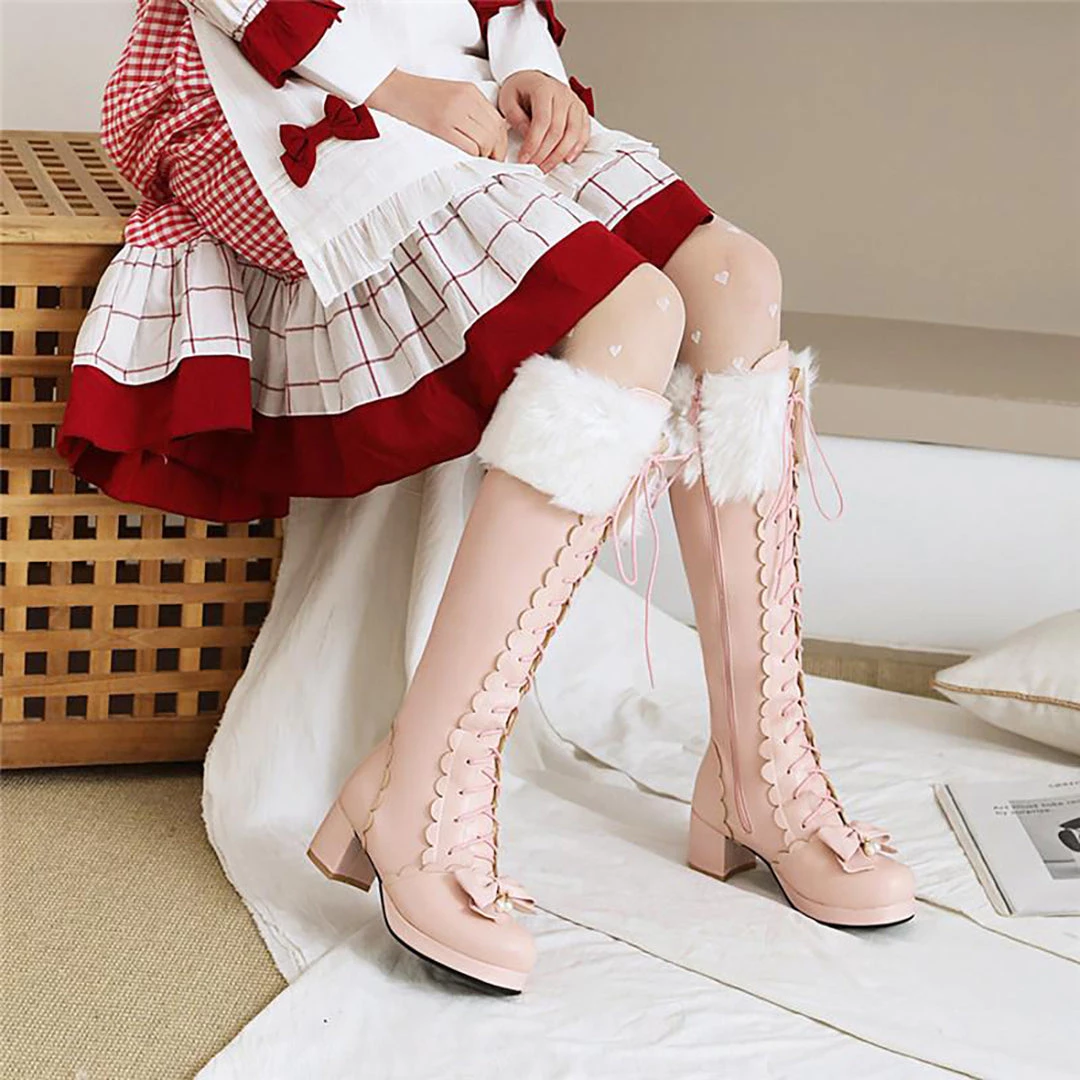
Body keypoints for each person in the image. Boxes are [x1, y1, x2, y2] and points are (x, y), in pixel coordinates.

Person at [60, 0, 915, 996]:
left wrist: (527, 65)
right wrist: (395, 89)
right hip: (264, 83)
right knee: (632, 310)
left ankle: (757, 773)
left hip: (447, 72)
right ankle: (422, 784)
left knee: (736, 279)